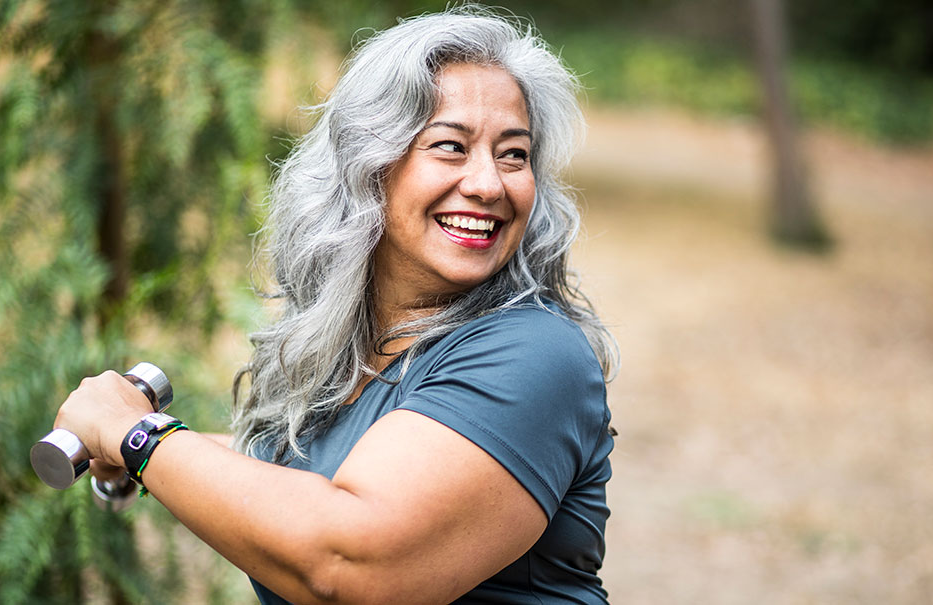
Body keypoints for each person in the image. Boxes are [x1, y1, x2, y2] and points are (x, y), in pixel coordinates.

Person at [53, 6, 618, 604]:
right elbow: (303, 474)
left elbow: (349, 561)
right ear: (368, 167)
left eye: (514, 154)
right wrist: (133, 451)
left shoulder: (534, 354)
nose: (488, 183)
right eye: (451, 147)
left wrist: (138, 438)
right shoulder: (362, 350)